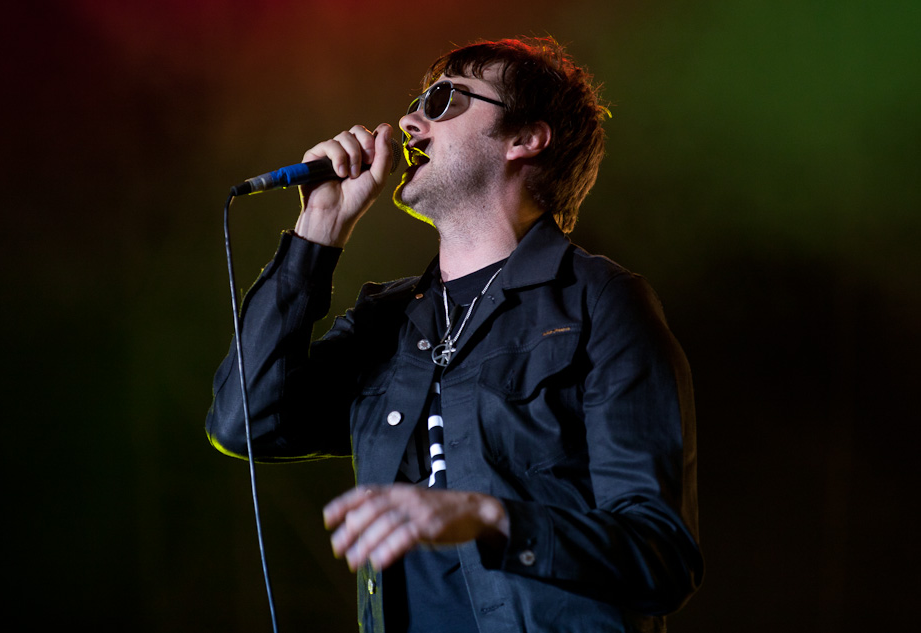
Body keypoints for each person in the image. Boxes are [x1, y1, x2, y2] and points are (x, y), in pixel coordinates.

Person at [206, 37, 703, 633]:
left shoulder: (599, 302)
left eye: (443, 101)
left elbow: (660, 557)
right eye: (416, 103)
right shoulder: (386, 320)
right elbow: (244, 423)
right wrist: (318, 231)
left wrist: (490, 519)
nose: (409, 123)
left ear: (525, 139)